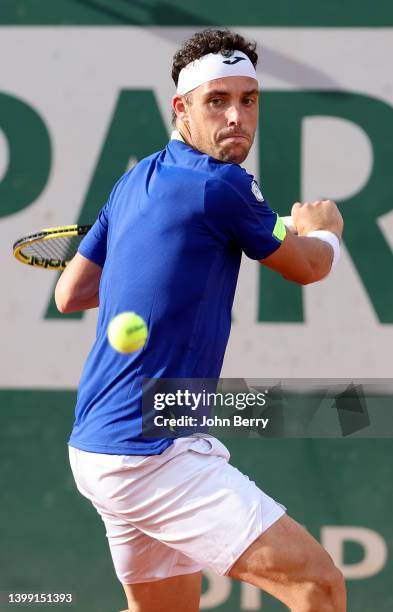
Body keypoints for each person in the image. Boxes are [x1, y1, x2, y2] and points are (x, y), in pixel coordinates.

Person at [56, 28, 346, 612]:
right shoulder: (223, 186)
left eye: (249, 99)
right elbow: (308, 267)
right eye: (218, 101)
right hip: (147, 449)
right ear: (181, 108)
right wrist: (324, 231)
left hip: (100, 445)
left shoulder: (134, 179)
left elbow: (71, 291)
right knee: (317, 585)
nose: (237, 116)